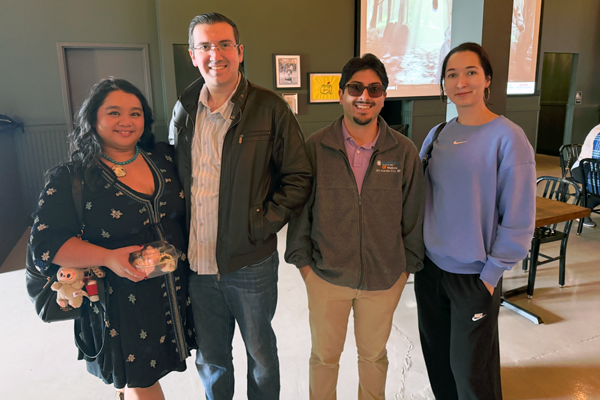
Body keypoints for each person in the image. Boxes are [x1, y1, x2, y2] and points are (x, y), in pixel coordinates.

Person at [169, 12, 312, 400]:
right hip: (196, 263)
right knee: (212, 357)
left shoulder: (270, 108)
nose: (215, 53)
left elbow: (299, 176)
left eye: (224, 44)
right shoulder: (183, 110)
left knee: (261, 354)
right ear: (193, 56)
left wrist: (261, 224)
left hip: (250, 262)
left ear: (240, 51)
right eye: (205, 46)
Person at [29, 78, 195, 400]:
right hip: (123, 300)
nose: (126, 121)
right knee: (141, 378)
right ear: (93, 120)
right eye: (114, 112)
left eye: (136, 113)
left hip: (182, 289)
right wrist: (107, 257)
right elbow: (46, 245)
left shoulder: (163, 158)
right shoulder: (72, 177)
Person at [286, 53, 425, 400]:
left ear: (383, 97)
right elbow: (300, 212)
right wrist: (305, 268)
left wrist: (403, 271)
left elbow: (414, 215)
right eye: (356, 88)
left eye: (374, 89)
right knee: (324, 358)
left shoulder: (404, 152)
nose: (365, 96)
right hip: (326, 277)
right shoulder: (316, 147)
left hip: (383, 279)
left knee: (374, 357)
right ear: (341, 94)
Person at [415, 42, 536, 400]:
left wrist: (491, 275)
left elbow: (518, 218)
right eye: (451, 74)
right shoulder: (437, 135)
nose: (460, 81)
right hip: (430, 271)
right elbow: (418, 199)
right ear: (443, 85)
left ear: (487, 81)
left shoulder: (508, 138)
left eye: (470, 72)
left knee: (470, 375)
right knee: (438, 364)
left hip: (474, 277)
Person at [570, 123, 600, 227]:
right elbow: (597, 162)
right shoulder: (598, 133)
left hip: (594, 169)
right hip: (584, 169)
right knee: (597, 190)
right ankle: (583, 212)